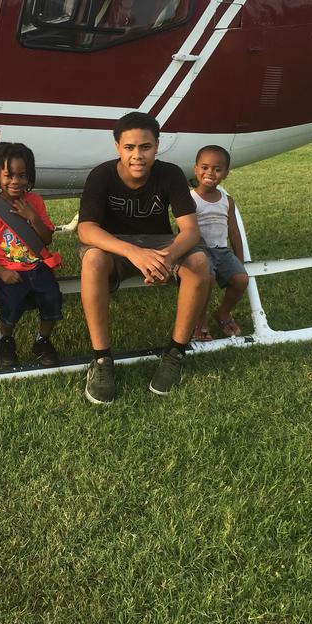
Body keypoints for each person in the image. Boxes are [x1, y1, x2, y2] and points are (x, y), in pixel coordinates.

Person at [78, 111, 210, 404]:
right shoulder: (102, 174)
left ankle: (175, 353)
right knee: (93, 259)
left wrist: (166, 257)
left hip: (160, 246)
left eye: (145, 147)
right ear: (117, 147)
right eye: (129, 147)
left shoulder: (171, 173)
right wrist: (133, 253)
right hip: (118, 247)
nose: (137, 156)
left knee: (199, 262)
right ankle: (101, 361)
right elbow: (87, 230)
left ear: (157, 145)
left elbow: (189, 230)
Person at [0, 142, 62, 367]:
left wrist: (33, 217)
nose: (16, 181)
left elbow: (46, 239)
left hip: (37, 267)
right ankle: (5, 340)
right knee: (12, 304)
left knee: (52, 298)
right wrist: (0, 271)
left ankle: (42, 340)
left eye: (22, 175)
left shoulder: (35, 202)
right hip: (8, 271)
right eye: (9, 175)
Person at [190, 145, 249, 340]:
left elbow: (233, 230)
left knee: (241, 280)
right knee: (208, 280)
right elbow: (186, 230)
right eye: (204, 167)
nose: (210, 173)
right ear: (195, 169)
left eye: (217, 169)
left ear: (225, 173)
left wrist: (239, 259)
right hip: (199, 251)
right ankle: (200, 319)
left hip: (222, 251)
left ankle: (223, 312)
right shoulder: (190, 199)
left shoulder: (227, 200)